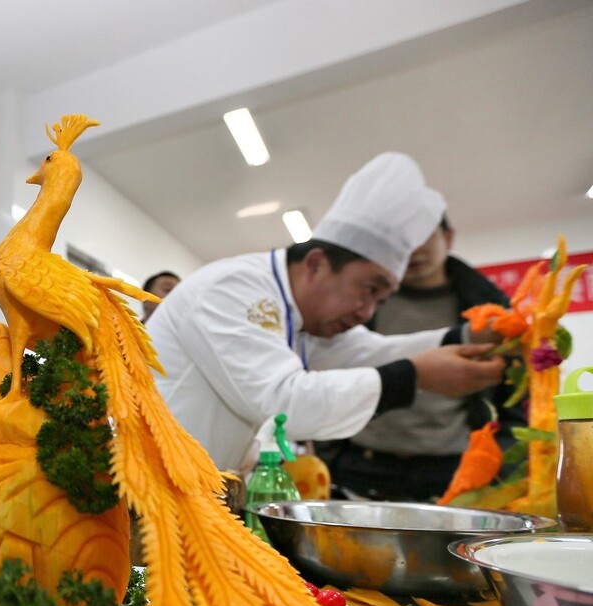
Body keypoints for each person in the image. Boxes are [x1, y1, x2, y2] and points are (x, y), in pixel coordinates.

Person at [148, 152, 506, 472]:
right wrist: (415, 377)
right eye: (369, 289)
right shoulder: (235, 287)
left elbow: (369, 350)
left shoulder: (304, 320)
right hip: (151, 491)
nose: (367, 312)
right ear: (317, 264)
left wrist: (465, 336)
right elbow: (283, 402)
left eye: (380, 301)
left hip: (201, 493)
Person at [322, 214, 526, 501]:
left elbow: (515, 400)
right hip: (363, 468)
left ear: (448, 237)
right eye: (401, 240)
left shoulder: (490, 308)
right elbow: (332, 371)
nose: (413, 248)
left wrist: (502, 462)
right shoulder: (359, 305)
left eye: (422, 235)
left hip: (457, 469)